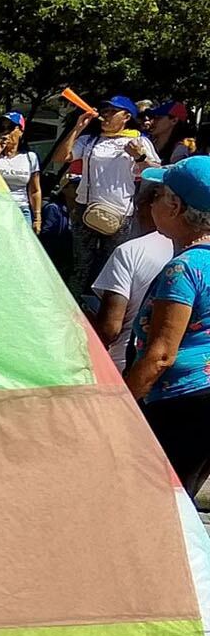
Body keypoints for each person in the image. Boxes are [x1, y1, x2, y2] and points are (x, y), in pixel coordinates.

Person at [124, 156, 210, 492]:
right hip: (203, 401)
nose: (152, 202)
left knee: (158, 504)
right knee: (182, 499)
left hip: (179, 406)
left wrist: (120, 403)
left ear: (175, 206)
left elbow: (160, 355)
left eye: (158, 195)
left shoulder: (184, 269)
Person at [51, 94, 160, 290]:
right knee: (81, 266)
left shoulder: (139, 141)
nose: (106, 115)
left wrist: (140, 156)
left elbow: (155, 173)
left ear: (126, 116)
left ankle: (102, 310)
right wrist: (78, 128)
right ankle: (75, 307)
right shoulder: (90, 140)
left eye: (112, 111)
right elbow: (61, 158)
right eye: (105, 111)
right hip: (86, 210)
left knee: (111, 266)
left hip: (120, 214)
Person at [93, 184, 175, 368]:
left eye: (139, 205)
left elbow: (110, 328)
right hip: (191, 372)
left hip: (129, 365)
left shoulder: (130, 251)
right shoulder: (199, 252)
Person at [0, 111, 41, 233]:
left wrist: (37, 218)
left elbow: (34, 190)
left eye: (11, 128)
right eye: (3, 128)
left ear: (20, 131)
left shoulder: (30, 157)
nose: (6, 133)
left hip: (21, 209)